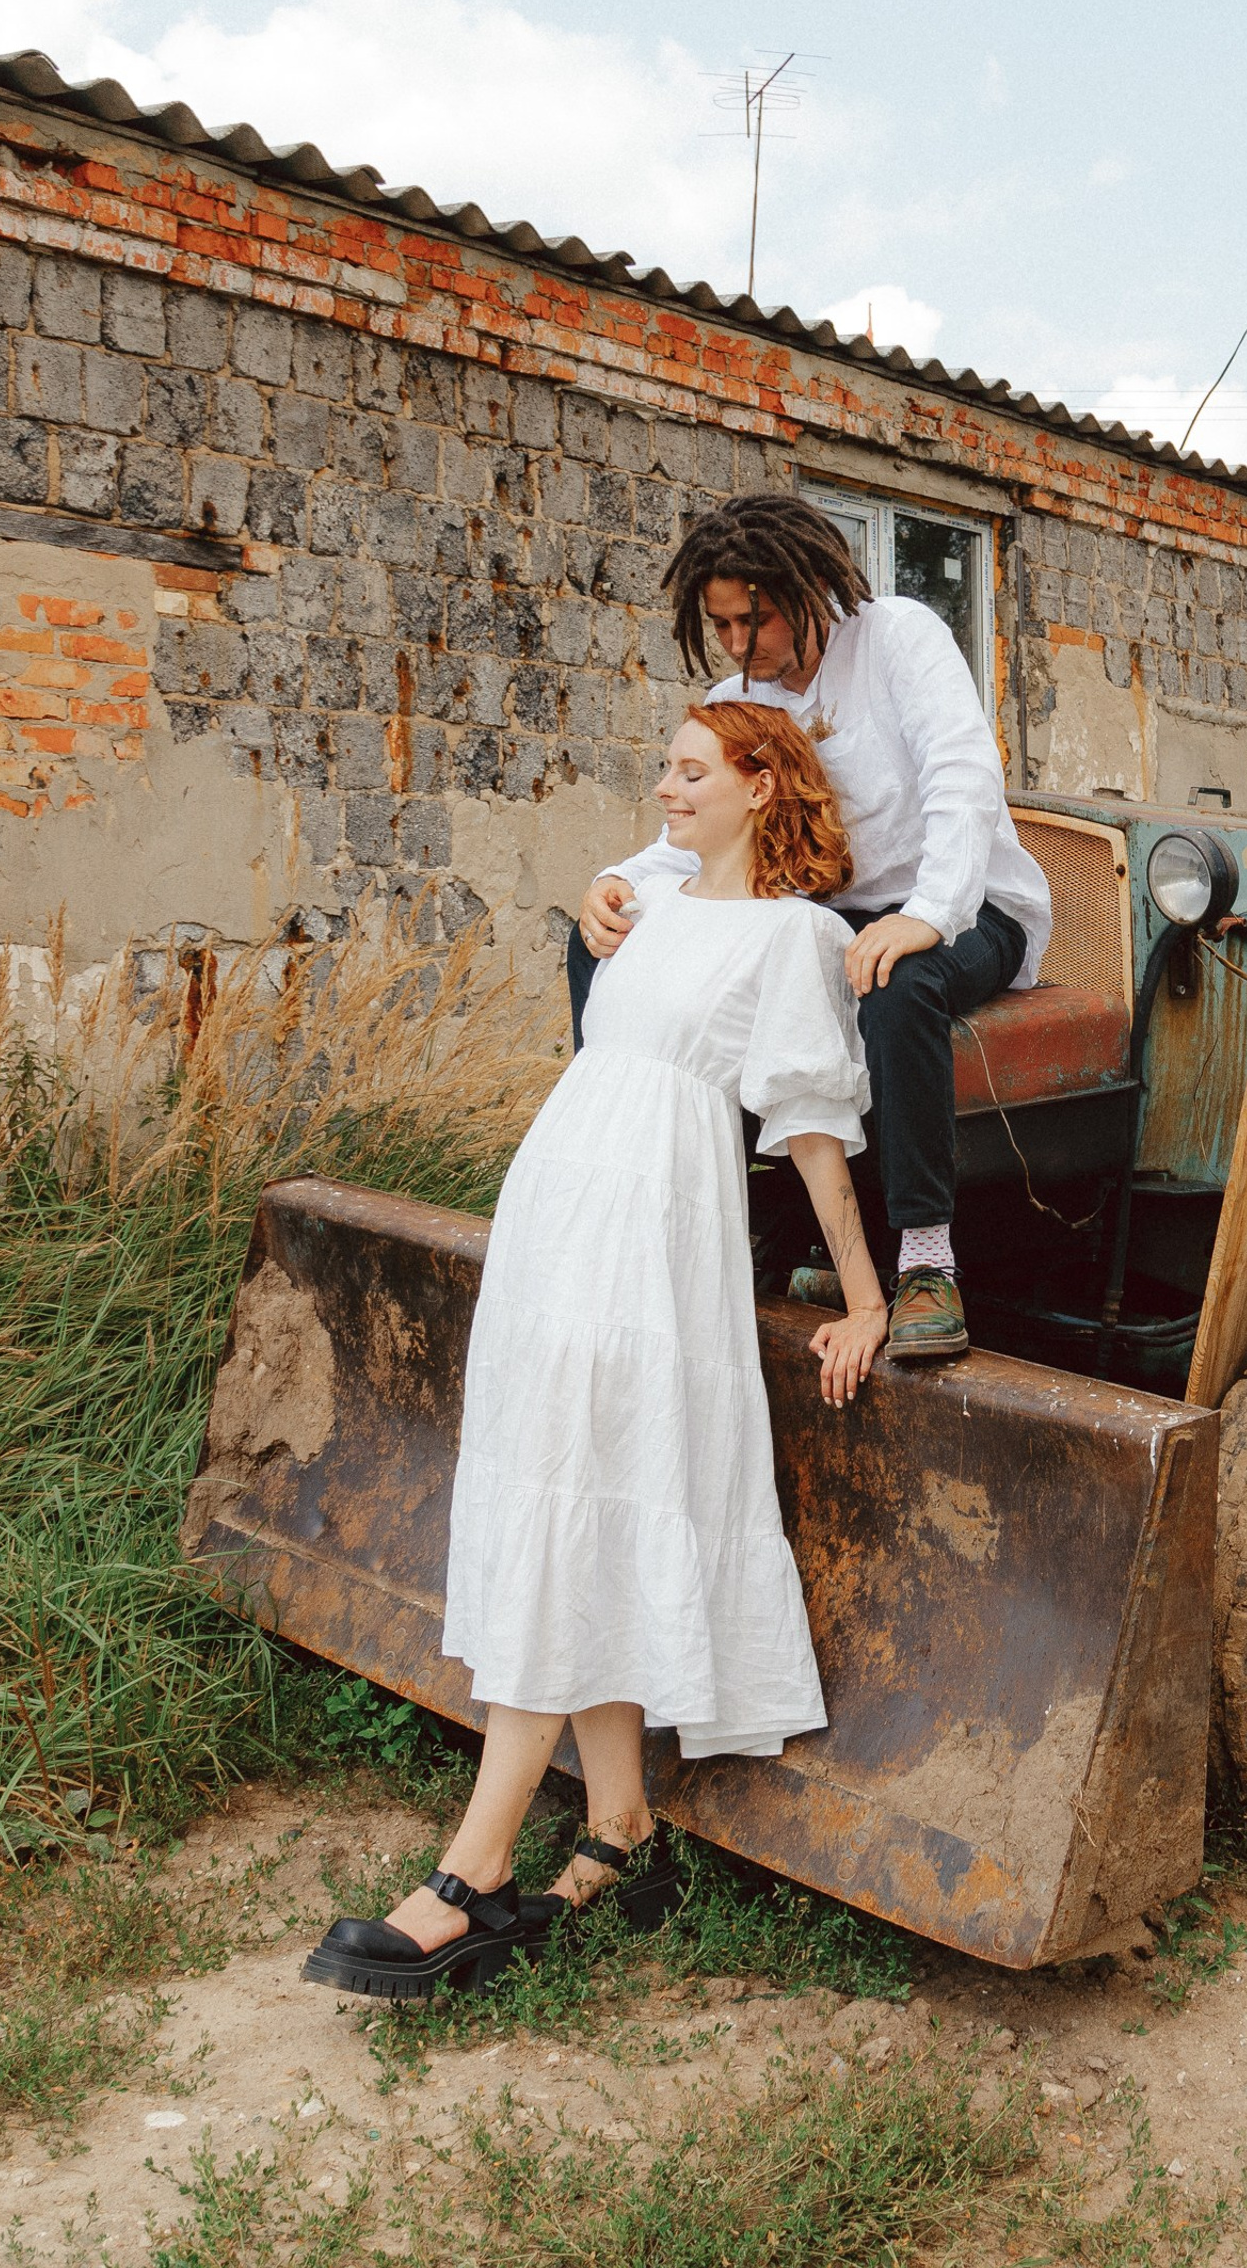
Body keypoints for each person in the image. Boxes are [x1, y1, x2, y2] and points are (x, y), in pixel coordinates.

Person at [303, 703, 886, 2001]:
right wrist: (617, 890)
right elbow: (612, 1016)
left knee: (582, 1500)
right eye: (665, 767)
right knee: (566, 1493)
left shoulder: (799, 937)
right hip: (560, 1207)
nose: (665, 788)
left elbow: (809, 1131)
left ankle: (477, 1868)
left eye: (689, 771)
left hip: (653, 1234)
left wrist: (868, 1296)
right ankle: (622, 1830)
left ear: (760, 784)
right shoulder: (649, 908)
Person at [577, 494, 1051, 1364]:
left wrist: (926, 917)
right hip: (829, 919)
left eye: (747, 620)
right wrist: (617, 883)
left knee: (898, 983)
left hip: (969, 902)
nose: (732, 644)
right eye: (716, 624)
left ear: (805, 588)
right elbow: (704, 827)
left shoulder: (899, 638)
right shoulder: (739, 697)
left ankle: (924, 1263)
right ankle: (677, 1197)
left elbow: (962, 776)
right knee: (619, 941)